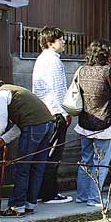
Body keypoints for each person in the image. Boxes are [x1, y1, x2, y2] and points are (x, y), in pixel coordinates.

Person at [0, 81, 55, 217]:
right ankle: (29, 205)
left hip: (34, 126)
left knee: (22, 168)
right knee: (36, 167)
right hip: (48, 124)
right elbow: (20, 124)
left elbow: (0, 125)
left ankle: (17, 207)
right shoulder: (13, 91)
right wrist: (3, 141)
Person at [74, 40, 111, 207]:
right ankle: (94, 198)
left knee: (85, 160)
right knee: (101, 162)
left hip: (84, 123)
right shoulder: (107, 71)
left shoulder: (81, 70)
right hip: (103, 124)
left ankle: (81, 196)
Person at [31, 27, 73, 204]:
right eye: (61, 40)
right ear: (50, 43)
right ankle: (49, 193)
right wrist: (64, 112)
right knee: (53, 154)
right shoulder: (53, 61)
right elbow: (57, 89)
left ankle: (41, 191)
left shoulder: (41, 59)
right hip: (55, 112)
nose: (64, 42)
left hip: (43, 111)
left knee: (43, 154)